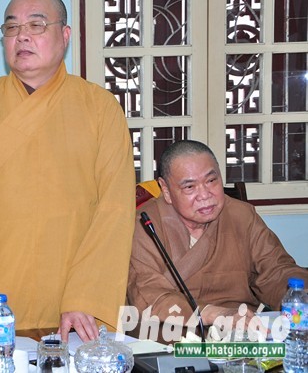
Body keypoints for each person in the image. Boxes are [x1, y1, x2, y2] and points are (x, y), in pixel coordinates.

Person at [0, 0, 136, 343]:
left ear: (65, 35)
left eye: (36, 25)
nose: (22, 36)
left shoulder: (100, 107)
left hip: (75, 299)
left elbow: (115, 208)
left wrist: (86, 297)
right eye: (12, 28)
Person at [127, 140, 308, 336]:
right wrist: (214, 314)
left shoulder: (242, 216)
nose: (205, 195)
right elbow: (147, 293)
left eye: (211, 181)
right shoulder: (145, 225)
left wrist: (300, 296)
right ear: (166, 190)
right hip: (170, 334)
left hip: (242, 332)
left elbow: (276, 270)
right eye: (190, 187)